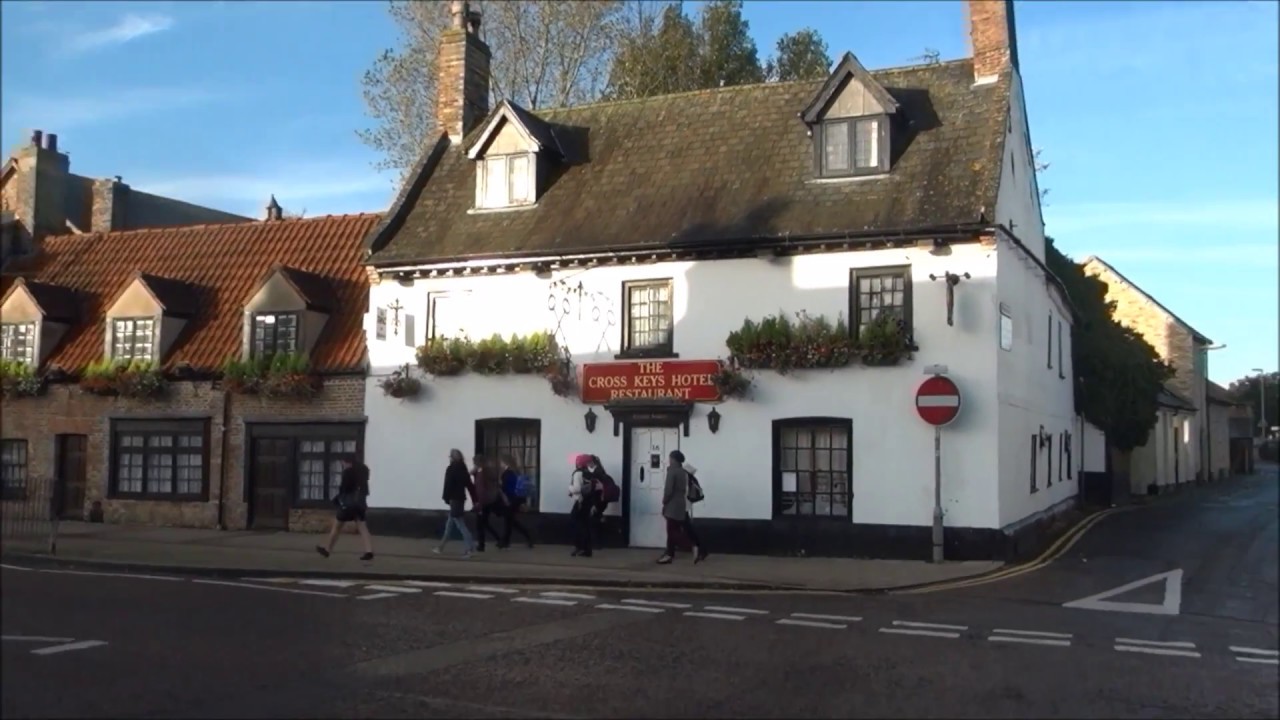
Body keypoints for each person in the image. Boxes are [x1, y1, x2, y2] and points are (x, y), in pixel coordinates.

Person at [315, 458, 374, 561]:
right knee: (363, 528)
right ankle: (369, 551)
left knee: (337, 527)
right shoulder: (363, 471)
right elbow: (365, 489)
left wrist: (337, 499)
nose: (343, 465)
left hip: (348, 505)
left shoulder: (348, 472)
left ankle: (327, 550)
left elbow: (344, 489)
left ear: (348, 462)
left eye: (343, 463)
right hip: (360, 504)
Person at [657, 449, 704, 564]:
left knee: (671, 531)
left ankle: (690, 547)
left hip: (672, 506)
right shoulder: (684, 472)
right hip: (683, 504)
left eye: (670, 458)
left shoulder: (672, 472)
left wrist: (664, 502)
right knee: (683, 528)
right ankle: (697, 549)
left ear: (675, 460)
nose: (669, 461)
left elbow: (668, 491)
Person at [435, 449, 475, 557]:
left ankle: (470, 548)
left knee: (460, 524)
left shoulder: (451, 469)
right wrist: (475, 499)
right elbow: (469, 485)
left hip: (454, 500)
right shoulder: (463, 468)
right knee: (450, 524)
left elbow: (448, 485)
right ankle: (441, 547)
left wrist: (446, 498)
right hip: (461, 499)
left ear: (452, 457)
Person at [499, 454, 535, 549]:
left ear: (505, 463)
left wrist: (505, 497)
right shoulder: (516, 472)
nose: (500, 464)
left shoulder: (507, 473)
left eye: (501, 462)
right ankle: (505, 541)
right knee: (509, 521)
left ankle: (527, 536)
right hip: (516, 499)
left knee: (510, 521)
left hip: (510, 499)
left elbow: (505, 487)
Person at [470, 454, 505, 552]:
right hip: (489, 500)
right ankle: (499, 540)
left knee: (480, 525)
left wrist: (479, 504)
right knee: (484, 523)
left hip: (483, 501)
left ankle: (482, 545)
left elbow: (481, 490)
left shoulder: (481, 473)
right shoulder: (487, 471)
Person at [568, 453, 597, 557]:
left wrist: (569, 488)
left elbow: (576, 489)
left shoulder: (577, 474)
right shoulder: (589, 473)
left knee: (575, 523)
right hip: (588, 502)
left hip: (580, 501)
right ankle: (587, 550)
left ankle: (579, 546)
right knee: (585, 525)